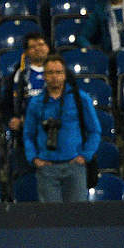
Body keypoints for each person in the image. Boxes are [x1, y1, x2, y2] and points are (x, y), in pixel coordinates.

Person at [22, 54, 99, 202]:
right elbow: (28, 134)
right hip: (46, 168)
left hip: (74, 166)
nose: (54, 77)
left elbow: (94, 131)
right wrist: (34, 158)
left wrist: (85, 156)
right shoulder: (36, 102)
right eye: (50, 73)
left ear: (64, 75)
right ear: (44, 76)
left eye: (58, 72)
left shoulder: (80, 98)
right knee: (50, 218)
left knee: (76, 217)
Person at [0, 32, 50, 178]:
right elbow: (5, 104)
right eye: (33, 47)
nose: (38, 49)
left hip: (54, 135)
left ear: (47, 47)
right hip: (25, 137)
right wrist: (10, 119)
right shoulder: (18, 75)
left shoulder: (60, 73)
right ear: (26, 52)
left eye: (41, 44)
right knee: (26, 178)